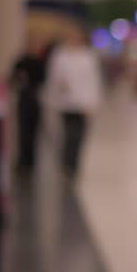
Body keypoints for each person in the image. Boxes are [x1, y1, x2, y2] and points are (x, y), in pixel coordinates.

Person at [43, 30, 102, 178]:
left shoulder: (88, 56)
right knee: (68, 134)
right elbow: (53, 78)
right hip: (66, 102)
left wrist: (93, 102)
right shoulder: (60, 56)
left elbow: (93, 80)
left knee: (78, 134)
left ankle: (74, 163)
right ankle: (66, 163)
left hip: (82, 103)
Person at [9, 37, 49, 174]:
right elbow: (12, 79)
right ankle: (23, 160)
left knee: (34, 131)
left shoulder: (40, 62)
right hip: (23, 99)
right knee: (23, 131)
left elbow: (44, 79)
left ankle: (31, 161)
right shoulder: (21, 62)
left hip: (35, 100)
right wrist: (20, 79)